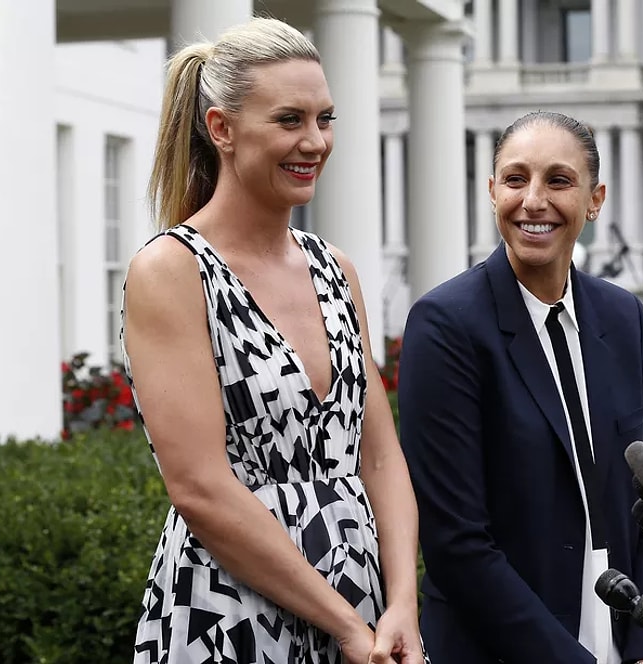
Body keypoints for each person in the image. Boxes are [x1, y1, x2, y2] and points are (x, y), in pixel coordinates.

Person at [120, 17, 425, 664]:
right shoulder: (172, 271)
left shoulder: (335, 268)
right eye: (289, 120)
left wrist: (401, 603)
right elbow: (199, 487)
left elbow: (380, 458)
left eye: (325, 118)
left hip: (362, 611)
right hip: (231, 618)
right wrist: (344, 623)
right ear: (221, 129)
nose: (315, 141)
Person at [397, 111, 643, 664]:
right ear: (492, 191)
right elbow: (456, 543)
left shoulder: (623, 317)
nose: (533, 200)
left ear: (594, 199)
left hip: (624, 634)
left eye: (558, 181)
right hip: (500, 646)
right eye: (515, 179)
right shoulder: (445, 325)